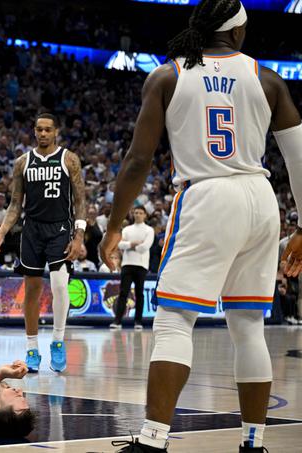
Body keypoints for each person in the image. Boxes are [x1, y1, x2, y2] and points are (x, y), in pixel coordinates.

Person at [99, 2, 302, 451]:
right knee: (248, 324)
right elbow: (299, 158)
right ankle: (253, 442)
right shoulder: (268, 79)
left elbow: (137, 160)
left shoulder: (168, 76)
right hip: (260, 196)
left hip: (208, 194)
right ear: (237, 32)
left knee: (174, 319)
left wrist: (114, 224)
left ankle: (153, 441)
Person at [0, 113, 86, 373]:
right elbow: (14, 204)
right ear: (34, 132)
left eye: (47, 130)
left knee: (59, 285)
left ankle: (57, 341)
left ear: (56, 132)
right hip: (31, 230)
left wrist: (79, 235)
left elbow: (80, 200)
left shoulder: (69, 159)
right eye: (39, 130)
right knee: (31, 291)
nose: (43, 134)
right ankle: (32, 347)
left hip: (60, 228)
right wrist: (1, 233)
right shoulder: (23, 162)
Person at [109, 206, 155, 330]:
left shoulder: (149, 230)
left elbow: (145, 247)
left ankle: (138, 321)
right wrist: (132, 244)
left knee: (139, 293)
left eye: (140, 213)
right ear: (133, 214)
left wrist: (129, 245)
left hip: (141, 265)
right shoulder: (127, 229)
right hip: (127, 264)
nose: (138, 215)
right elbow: (119, 244)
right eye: (136, 212)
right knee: (123, 292)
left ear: (145, 215)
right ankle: (117, 320)